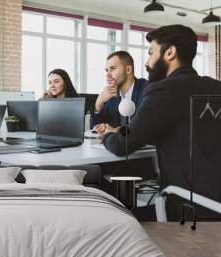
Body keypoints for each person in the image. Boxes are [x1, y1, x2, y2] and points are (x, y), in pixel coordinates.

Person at [100, 25, 221, 202]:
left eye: (151, 53)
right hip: (215, 201)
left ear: (170, 52)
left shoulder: (164, 89)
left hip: (188, 207)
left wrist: (107, 135)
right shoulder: (215, 86)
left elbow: (122, 146)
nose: (147, 63)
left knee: (119, 214)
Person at [91, 51, 147, 133]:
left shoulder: (146, 89)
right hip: (117, 145)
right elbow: (93, 131)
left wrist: (117, 130)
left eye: (113, 68)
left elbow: (144, 125)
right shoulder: (111, 95)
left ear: (128, 69)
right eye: (107, 70)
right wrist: (98, 104)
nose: (108, 74)